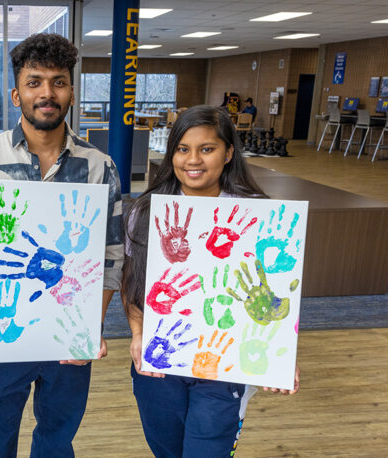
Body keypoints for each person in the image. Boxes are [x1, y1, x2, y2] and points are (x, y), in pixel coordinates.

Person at [0, 33, 123, 457]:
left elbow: (112, 256)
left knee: (58, 437)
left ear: (72, 92)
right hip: (4, 325)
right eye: (35, 82)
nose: (47, 93)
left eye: (58, 82)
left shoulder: (100, 166)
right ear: (16, 94)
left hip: (69, 330)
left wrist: (86, 330)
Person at [122, 105, 299, 457]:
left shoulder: (257, 214)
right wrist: (138, 334)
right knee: (167, 451)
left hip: (224, 368)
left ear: (229, 152)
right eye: (183, 149)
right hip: (161, 362)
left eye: (207, 149)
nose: (193, 160)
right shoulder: (146, 212)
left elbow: (274, 291)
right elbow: (134, 284)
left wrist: (280, 355)